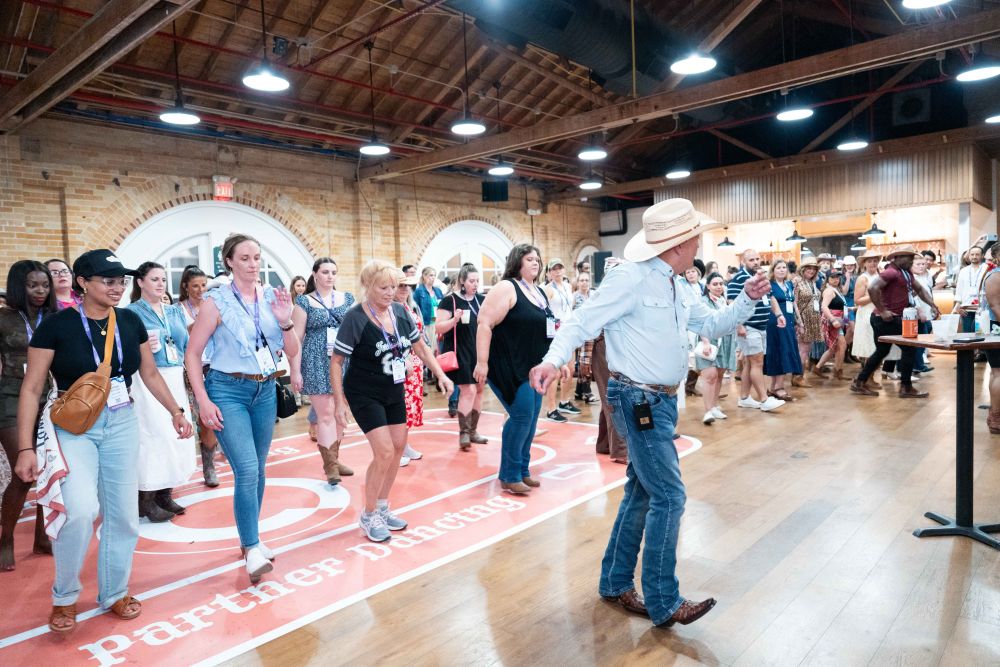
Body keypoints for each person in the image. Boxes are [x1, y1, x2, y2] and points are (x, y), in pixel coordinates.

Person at [529, 198, 771, 629]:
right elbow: (581, 321)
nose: (700, 240)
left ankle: (614, 582)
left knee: (642, 492)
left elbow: (712, 324)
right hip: (636, 400)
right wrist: (552, 360)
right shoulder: (630, 278)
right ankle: (663, 600)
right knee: (669, 495)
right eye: (696, 234)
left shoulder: (681, 284)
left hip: (660, 402)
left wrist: (747, 301)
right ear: (681, 243)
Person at [16, 249, 192, 633]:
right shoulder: (56, 326)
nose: (117, 287)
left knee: (124, 515)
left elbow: (149, 372)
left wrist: (176, 411)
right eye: (107, 281)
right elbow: (31, 389)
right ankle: (64, 596)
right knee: (78, 511)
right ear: (82, 283)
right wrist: (26, 448)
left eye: (121, 281)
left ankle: (114, 592)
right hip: (73, 427)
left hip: (122, 421)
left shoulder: (129, 321)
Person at [184, 233, 299, 582]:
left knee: (260, 470)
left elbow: (291, 350)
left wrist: (285, 319)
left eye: (257, 257)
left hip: (264, 390)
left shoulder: (272, 298)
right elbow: (192, 354)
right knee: (247, 470)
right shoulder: (215, 302)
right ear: (229, 262)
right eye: (245, 258)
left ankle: (252, 539)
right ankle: (251, 547)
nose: (252, 264)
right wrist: (203, 400)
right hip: (227, 389)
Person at [331, 261, 453, 542]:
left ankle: (383, 506)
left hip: (393, 388)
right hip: (363, 391)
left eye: (393, 287)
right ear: (368, 287)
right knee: (384, 451)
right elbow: (337, 362)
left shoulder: (399, 311)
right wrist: (339, 403)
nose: (390, 293)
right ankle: (368, 514)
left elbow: (420, 346)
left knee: (398, 448)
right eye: (382, 287)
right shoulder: (356, 317)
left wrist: (441, 375)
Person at [474, 244, 555, 495]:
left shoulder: (540, 292)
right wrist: (481, 362)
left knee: (530, 419)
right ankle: (509, 475)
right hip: (509, 365)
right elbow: (484, 323)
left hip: (535, 367)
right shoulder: (507, 287)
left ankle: (522, 469)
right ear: (517, 262)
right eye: (530, 259)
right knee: (520, 416)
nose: (535, 263)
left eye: (538, 259)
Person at [127, 262, 196, 522]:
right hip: (147, 379)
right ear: (141, 282)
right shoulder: (131, 313)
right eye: (154, 279)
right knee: (154, 435)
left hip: (174, 375)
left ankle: (165, 492)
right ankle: (145, 496)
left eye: (163, 280)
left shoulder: (175, 312)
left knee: (175, 435)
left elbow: (186, 346)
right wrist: (140, 346)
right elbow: (124, 349)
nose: (160, 284)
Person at [0, 261, 56, 571]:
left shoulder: (55, 318)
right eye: (33, 285)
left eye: (45, 285)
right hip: (9, 399)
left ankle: (42, 537)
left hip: (49, 400)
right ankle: (5, 539)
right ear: (18, 286)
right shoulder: (3, 318)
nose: (40, 291)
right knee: (24, 474)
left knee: (49, 471)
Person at [290, 257, 357, 486]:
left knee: (340, 413)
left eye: (333, 272)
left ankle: (335, 460)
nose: (330, 276)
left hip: (344, 360)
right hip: (316, 361)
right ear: (315, 274)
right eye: (325, 272)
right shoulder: (304, 302)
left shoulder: (347, 299)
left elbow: (357, 331)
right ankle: (330, 467)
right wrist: (295, 371)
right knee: (326, 414)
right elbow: (296, 340)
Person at [850, 246, 939, 399]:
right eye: (908, 257)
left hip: (888, 318)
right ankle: (905, 387)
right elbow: (872, 288)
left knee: (882, 351)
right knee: (909, 348)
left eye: (912, 257)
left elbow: (919, 289)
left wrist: (932, 304)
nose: (911, 260)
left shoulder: (905, 273)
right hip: (887, 318)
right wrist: (883, 310)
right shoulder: (891, 272)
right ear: (896, 258)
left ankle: (860, 381)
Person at [436, 263, 488, 451]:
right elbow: (439, 327)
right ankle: (464, 433)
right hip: (460, 352)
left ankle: (473, 431)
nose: (475, 284)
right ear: (462, 282)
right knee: (469, 390)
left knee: (480, 389)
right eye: (471, 281)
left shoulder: (482, 300)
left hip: (479, 352)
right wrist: (454, 320)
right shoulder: (449, 301)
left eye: (477, 281)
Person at [178, 265, 221, 487]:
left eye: (204, 285)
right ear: (185, 286)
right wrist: (204, 321)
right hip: (190, 371)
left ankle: (209, 466)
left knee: (210, 421)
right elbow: (182, 336)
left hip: (214, 366)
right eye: (195, 285)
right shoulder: (178, 309)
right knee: (193, 418)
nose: (200, 289)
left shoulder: (213, 304)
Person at [727, 250, 784, 412]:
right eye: (751, 260)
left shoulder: (762, 277)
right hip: (748, 326)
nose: (756, 262)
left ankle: (744, 397)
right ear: (744, 261)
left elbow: (771, 297)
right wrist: (739, 325)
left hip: (762, 326)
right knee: (757, 362)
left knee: (749, 363)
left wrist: (778, 314)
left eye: (757, 259)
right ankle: (764, 399)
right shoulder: (737, 279)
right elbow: (731, 303)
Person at [542, 258, 580, 422]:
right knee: (555, 372)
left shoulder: (568, 286)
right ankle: (551, 409)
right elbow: (544, 312)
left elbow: (569, 308)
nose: (557, 271)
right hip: (555, 333)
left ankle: (564, 401)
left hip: (569, 331)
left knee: (570, 369)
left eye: (560, 268)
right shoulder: (547, 289)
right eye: (554, 269)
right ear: (549, 272)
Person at [697, 272, 738, 424]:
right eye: (715, 284)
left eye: (721, 283)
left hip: (725, 341)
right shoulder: (702, 302)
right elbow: (701, 323)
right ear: (708, 286)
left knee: (719, 375)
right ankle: (707, 411)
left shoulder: (723, 301)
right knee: (710, 376)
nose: (719, 286)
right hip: (709, 341)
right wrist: (706, 342)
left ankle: (713, 406)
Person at [395, 274, 425, 465]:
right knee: (400, 407)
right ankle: (396, 450)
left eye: (408, 286)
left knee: (410, 408)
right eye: (401, 285)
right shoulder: (392, 309)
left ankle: (404, 446)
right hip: (399, 363)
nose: (405, 289)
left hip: (414, 361)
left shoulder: (409, 307)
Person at [764, 260, 802, 399]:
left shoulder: (789, 284)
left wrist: (800, 322)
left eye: (784, 267)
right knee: (779, 351)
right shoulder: (770, 285)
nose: (781, 270)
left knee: (786, 350)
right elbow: (769, 304)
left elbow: (794, 304)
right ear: (773, 270)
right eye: (778, 268)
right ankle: (778, 386)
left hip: (789, 321)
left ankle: (774, 387)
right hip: (776, 322)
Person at [852, 252, 882, 393]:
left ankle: (869, 377)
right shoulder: (862, 279)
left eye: (875, 261)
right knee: (868, 347)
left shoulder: (879, 276)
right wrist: (874, 296)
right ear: (864, 263)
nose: (873, 263)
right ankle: (864, 379)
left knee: (877, 347)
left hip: (878, 313)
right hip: (866, 315)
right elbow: (857, 300)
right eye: (870, 261)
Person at [978, 243, 1000, 432]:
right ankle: (996, 416)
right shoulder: (995, 276)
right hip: (997, 329)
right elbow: (995, 306)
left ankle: (995, 412)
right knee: (998, 372)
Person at [814, 271, 849, 382]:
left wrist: (851, 308)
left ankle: (819, 368)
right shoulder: (829, 291)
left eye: (838, 277)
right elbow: (824, 306)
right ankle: (837, 371)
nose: (836, 279)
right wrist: (833, 319)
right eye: (833, 277)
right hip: (833, 321)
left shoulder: (836, 290)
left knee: (835, 347)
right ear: (827, 279)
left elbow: (837, 306)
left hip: (838, 320)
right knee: (841, 346)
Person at [793, 259, 822, 387]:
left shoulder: (812, 283)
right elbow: (794, 303)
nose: (811, 270)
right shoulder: (797, 282)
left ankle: (799, 376)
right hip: (802, 319)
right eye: (808, 268)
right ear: (802, 269)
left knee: (806, 349)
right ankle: (798, 377)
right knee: (803, 349)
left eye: (814, 268)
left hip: (813, 319)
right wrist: (798, 322)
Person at [571, 272, 599, 404]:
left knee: (586, 361)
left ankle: (578, 391)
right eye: (581, 280)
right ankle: (587, 392)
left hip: (593, 332)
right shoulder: (574, 297)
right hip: (580, 332)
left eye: (586, 280)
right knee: (584, 362)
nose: (584, 283)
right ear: (577, 282)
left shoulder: (594, 295)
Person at [954, 246, 985, 332]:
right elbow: (959, 289)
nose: (974, 256)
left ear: (982, 256)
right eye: (972, 254)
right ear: (969, 256)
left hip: (981, 308)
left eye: (977, 254)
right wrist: (957, 305)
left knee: (980, 334)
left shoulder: (986, 269)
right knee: (967, 335)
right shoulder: (963, 271)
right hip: (966, 308)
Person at [413, 267, 443, 346]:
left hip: (438, 322)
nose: (433, 278)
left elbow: (443, 306)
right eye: (431, 275)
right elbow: (415, 309)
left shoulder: (438, 291)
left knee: (439, 348)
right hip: (427, 323)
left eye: (434, 276)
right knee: (429, 347)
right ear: (424, 276)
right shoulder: (419, 291)